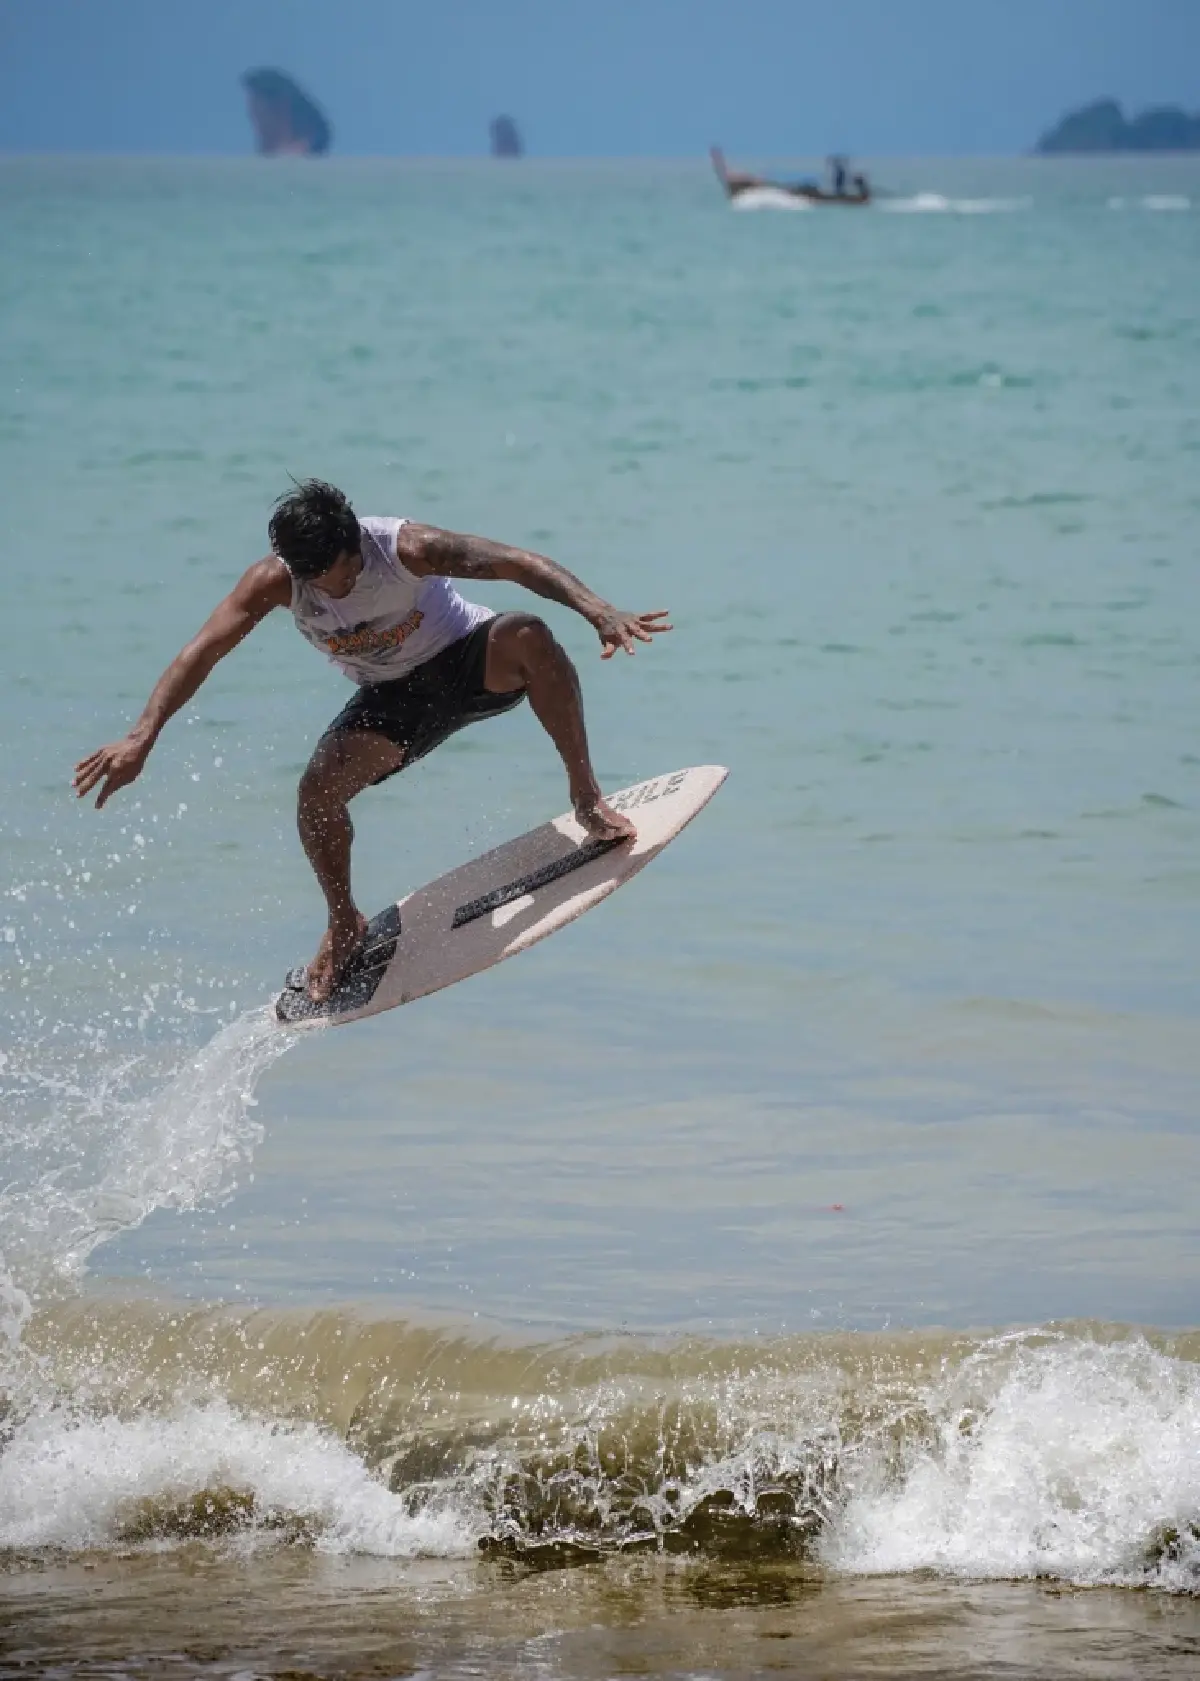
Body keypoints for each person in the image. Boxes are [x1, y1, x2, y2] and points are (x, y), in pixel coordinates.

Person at [74, 481, 671, 1003]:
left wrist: (599, 612)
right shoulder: (277, 581)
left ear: (353, 544)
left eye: (336, 575)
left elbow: (517, 562)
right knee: (316, 793)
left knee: (528, 633)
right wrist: (142, 737)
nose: (328, 592)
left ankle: (586, 798)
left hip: (469, 661)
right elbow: (202, 651)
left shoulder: (405, 547)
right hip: (393, 701)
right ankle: (344, 923)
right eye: (311, 580)